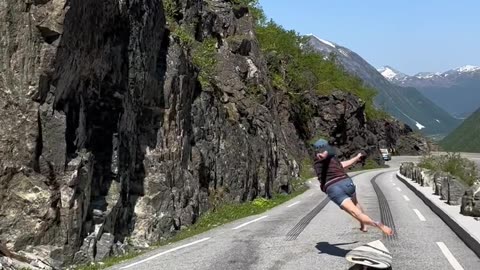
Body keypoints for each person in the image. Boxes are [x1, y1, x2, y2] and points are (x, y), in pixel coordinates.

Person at [312, 139, 393, 236]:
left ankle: (376, 224)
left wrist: (322, 155)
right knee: (356, 203)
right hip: (347, 183)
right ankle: (364, 225)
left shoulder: (317, 162)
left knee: (355, 213)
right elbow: (343, 164)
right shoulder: (333, 158)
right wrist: (357, 157)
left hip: (333, 188)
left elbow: (323, 155)